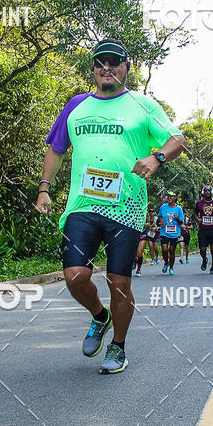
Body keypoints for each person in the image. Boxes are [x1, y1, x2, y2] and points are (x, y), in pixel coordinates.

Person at [35, 40, 185, 374]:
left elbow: (178, 140)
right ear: (93, 69)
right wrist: (44, 188)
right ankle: (100, 316)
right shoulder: (76, 105)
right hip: (83, 204)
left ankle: (118, 346)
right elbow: (56, 149)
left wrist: (157, 158)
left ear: (126, 67)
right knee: (75, 276)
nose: (107, 68)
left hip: (126, 207)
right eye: (100, 62)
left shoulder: (143, 105)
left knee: (119, 282)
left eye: (114, 62)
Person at [195, 185, 213, 275]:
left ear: (212, 192)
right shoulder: (199, 203)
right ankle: (204, 259)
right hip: (203, 229)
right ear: (203, 192)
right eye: (206, 190)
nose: (207, 192)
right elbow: (195, 213)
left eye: (209, 190)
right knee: (202, 249)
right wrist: (197, 219)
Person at [158, 192, 185, 275]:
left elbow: (181, 222)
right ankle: (166, 262)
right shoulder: (163, 207)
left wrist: (177, 218)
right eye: (168, 196)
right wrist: (161, 220)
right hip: (164, 232)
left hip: (174, 233)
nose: (169, 198)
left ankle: (171, 268)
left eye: (171, 196)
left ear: (175, 197)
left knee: (171, 250)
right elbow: (159, 215)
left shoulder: (179, 209)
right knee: (164, 249)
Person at [135, 210, 152, 275]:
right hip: (133, 234)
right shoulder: (130, 209)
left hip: (142, 234)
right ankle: (134, 260)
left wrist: (146, 224)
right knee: (133, 252)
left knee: (139, 252)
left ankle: (138, 269)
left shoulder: (145, 212)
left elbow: (149, 223)